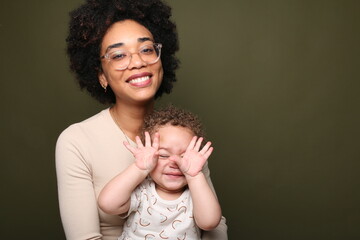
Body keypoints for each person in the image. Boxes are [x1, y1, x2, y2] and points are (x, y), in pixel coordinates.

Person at [55, 0, 228, 239]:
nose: (137, 62)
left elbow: (213, 226)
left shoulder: (183, 137)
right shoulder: (76, 141)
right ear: (101, 76)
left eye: (146, 50)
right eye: (118, 55)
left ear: (161, 61)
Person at [98, 105, 222, 240]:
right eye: (163, 155)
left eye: (184, 156)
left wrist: (194, 176)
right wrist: (140, 168)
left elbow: (210, 223)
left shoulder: (196, 195)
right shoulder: (142, 191)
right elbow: (107, 204)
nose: (175, 162)